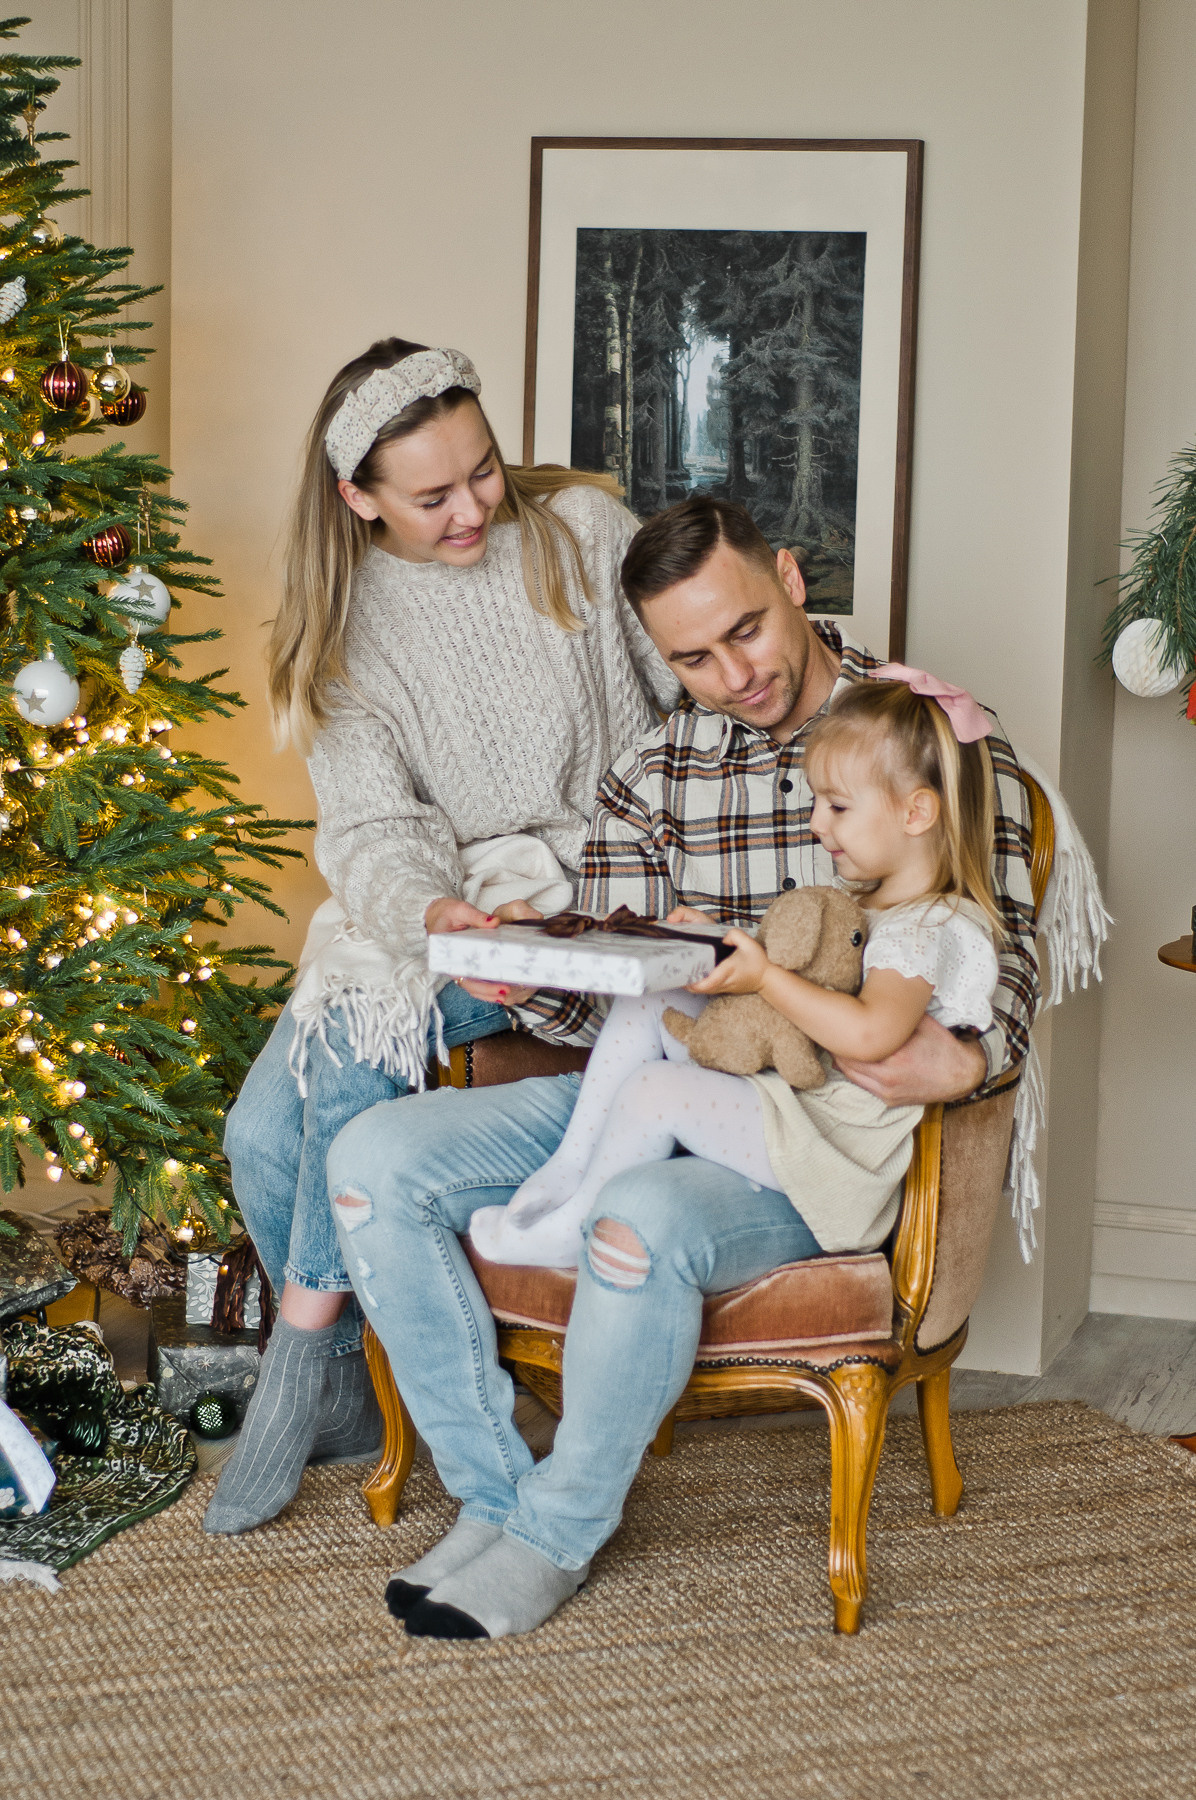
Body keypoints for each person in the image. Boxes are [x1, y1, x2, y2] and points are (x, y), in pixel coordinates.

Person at [325, 496, 1039, 1639]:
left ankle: (554, 1536)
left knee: (642, 1210)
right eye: (691, 659)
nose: (732, 674)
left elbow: (1001, 941)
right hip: (658, 1069)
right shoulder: (650, 771)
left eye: (744, 631)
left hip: (798, 1128)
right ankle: (493, 1498)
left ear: (791, 581)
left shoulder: (920, 733)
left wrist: (960, 1056)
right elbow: (612, 983)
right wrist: (526, 966)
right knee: (369, 1159)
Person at [204, 338, 677, 1536]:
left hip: (595, 891)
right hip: (452, 902)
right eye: (432, 494)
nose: (471, 507)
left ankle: (299, 1355)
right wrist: (431, 914)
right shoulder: (348, 616)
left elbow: (694, 696)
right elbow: (373, 823)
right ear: (358, 498)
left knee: (353, 1058)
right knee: (257, 1132)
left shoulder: (579, 529)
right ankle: (366, 1398)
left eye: (480, 471)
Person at [468, 672, 1002, 1272]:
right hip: (801, 1097)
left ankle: (574, 1225)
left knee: (656, 1090)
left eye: (838, 806)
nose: (817, 825)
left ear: (916, 812)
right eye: (817, 803)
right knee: (653, 998)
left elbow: (869, 1035)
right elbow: (821, 991)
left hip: (832, 1149)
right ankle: (573, 1161)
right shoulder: (880, 907)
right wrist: (717, 945)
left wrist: (765, 978)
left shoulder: (928, 930)